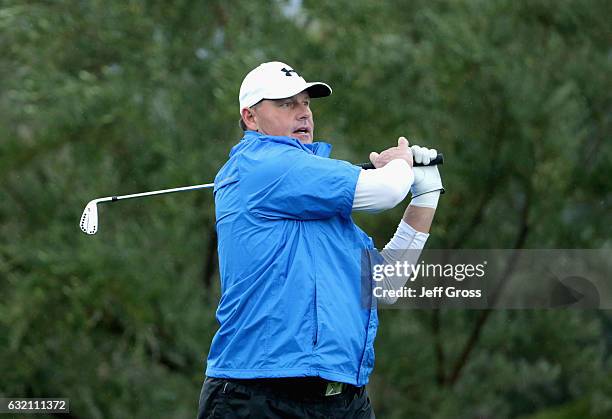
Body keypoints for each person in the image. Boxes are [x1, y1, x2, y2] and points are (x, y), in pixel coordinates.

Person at [197, 61, 444, 418]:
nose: (303, 114)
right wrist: (401, 163)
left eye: (306, 103)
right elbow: (388, 190)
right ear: (250, 118)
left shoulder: (319, 197)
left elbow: (386, 283)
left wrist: (426, 195)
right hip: (257, 396)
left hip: (343, 401)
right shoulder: (260, 163)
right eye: (286, 104)